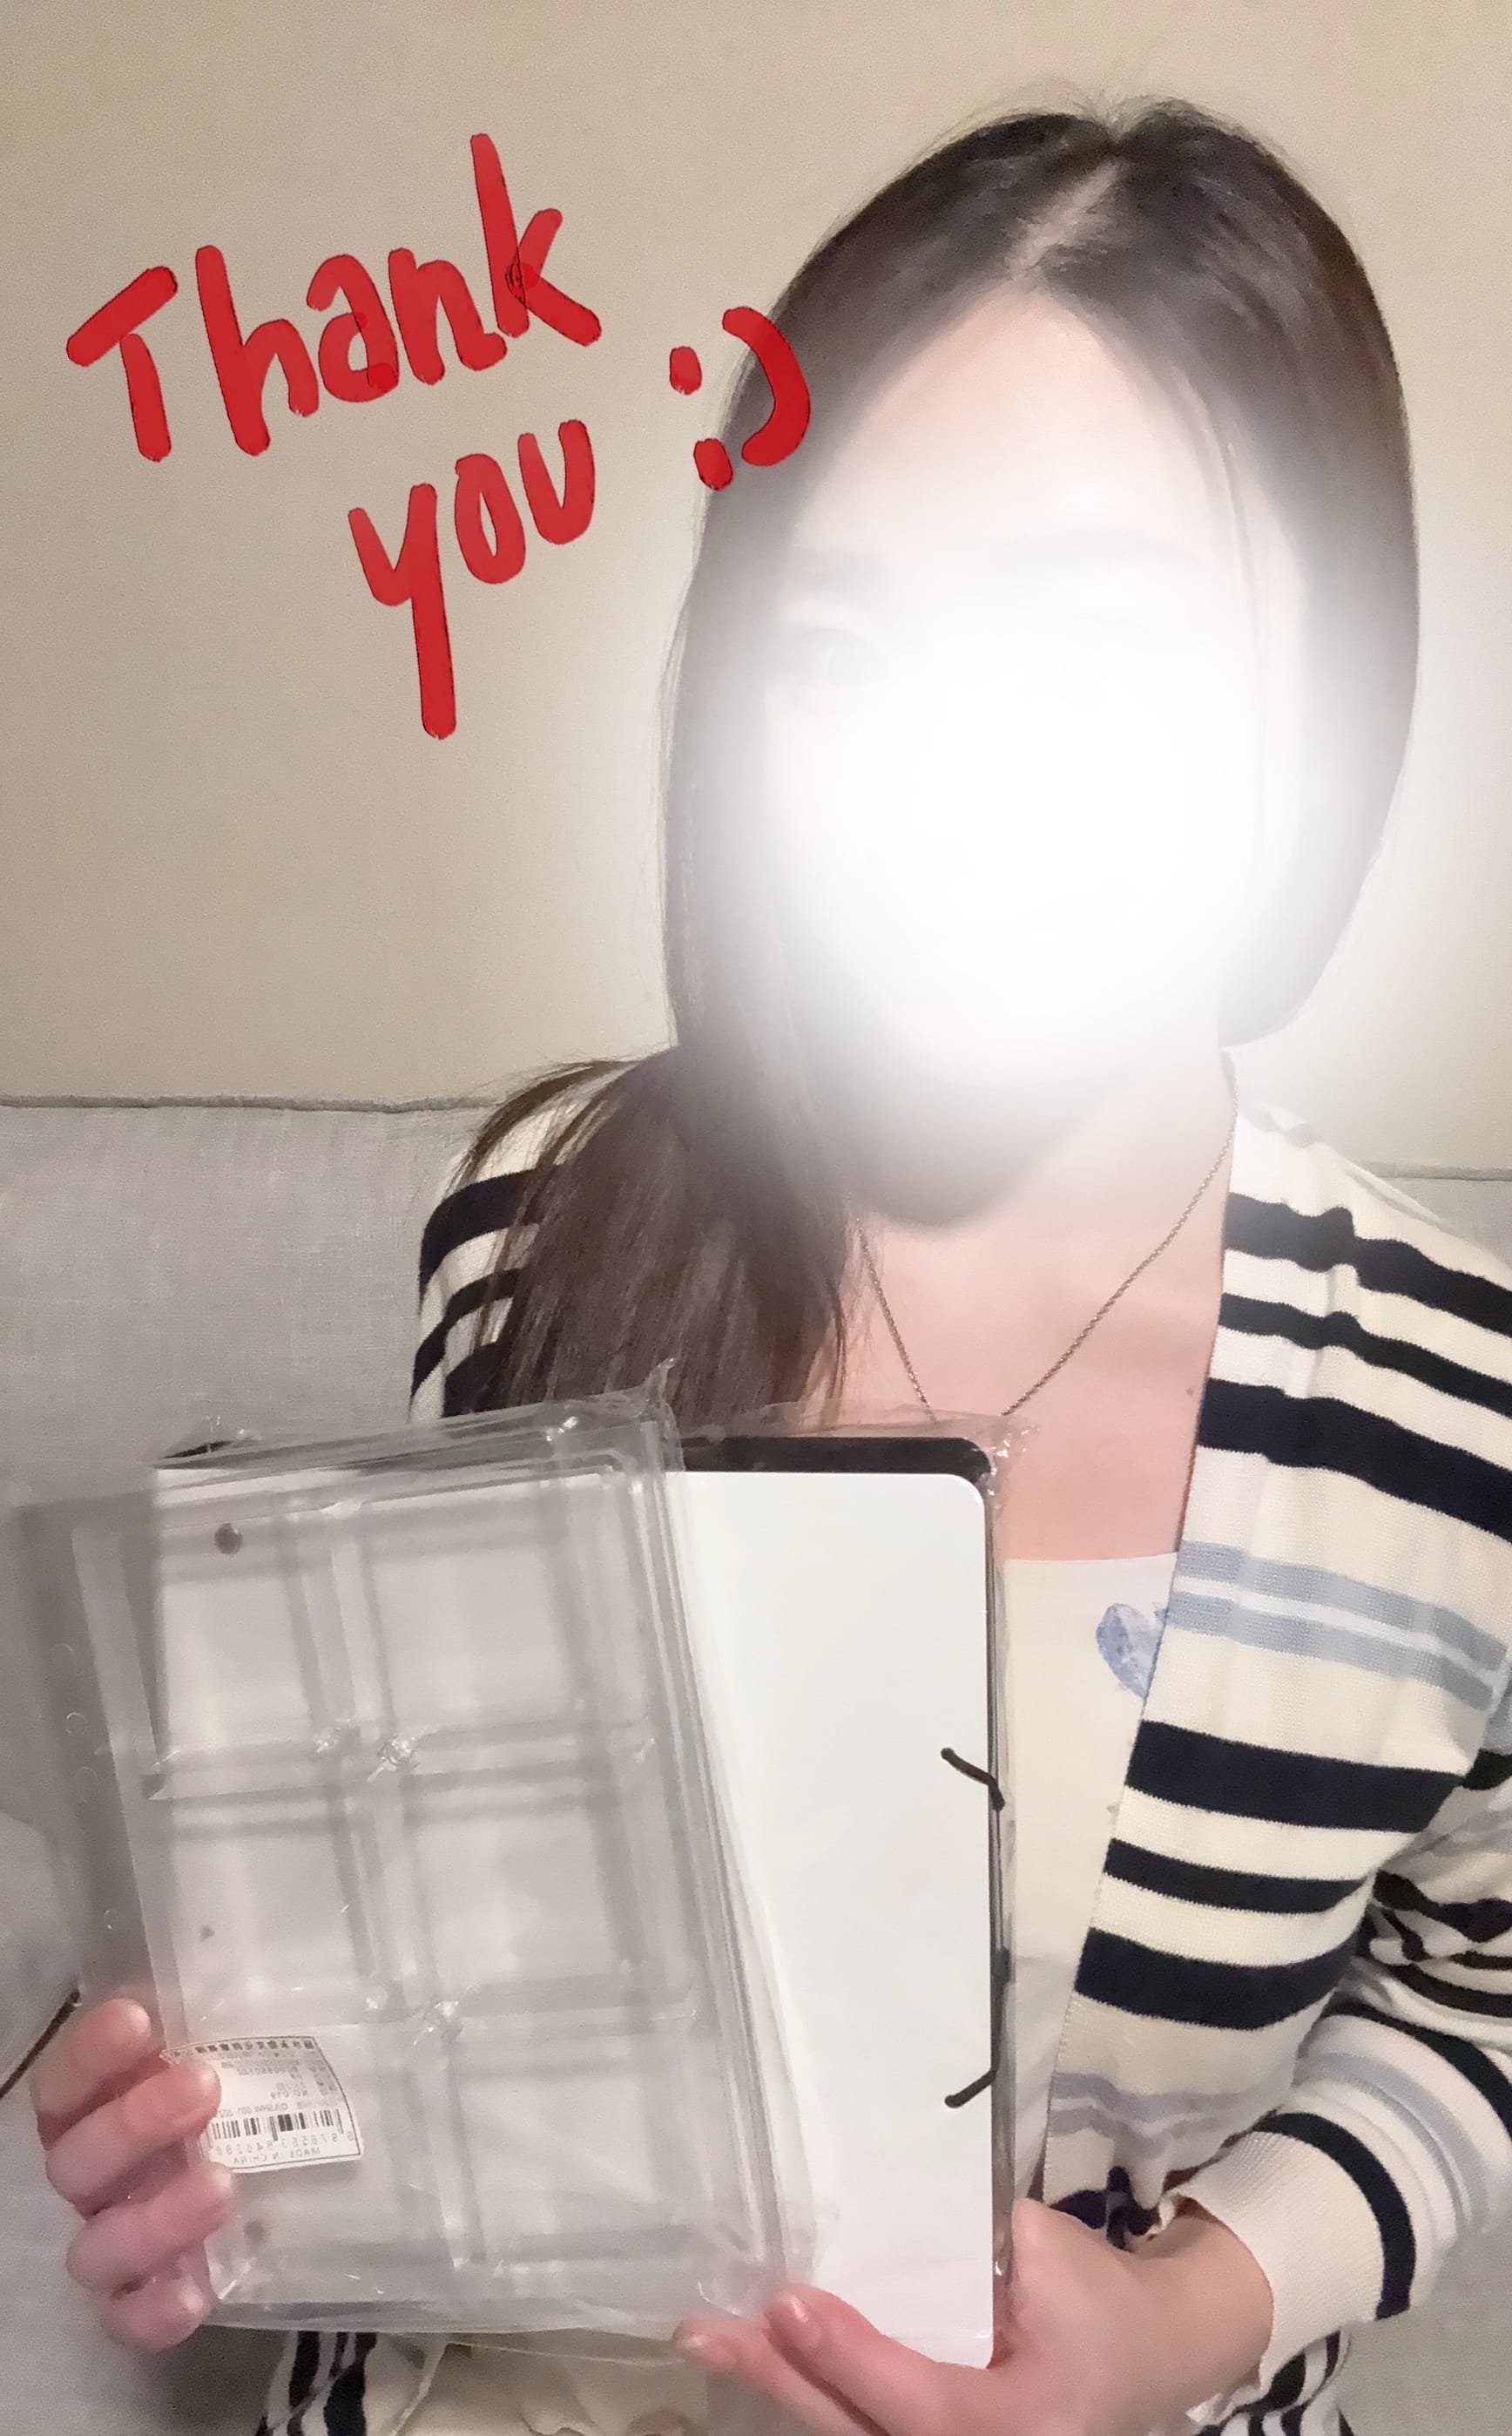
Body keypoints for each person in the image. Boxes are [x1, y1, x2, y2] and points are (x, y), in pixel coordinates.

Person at [30, 93, 1512, 2436]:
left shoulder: (1452, 1407)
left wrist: (1189, 2316)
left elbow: (1479, 1994)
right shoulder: (544, 1211)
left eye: (1098, 646)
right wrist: (220, 2131)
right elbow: (450, 1931)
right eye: (839, 646)